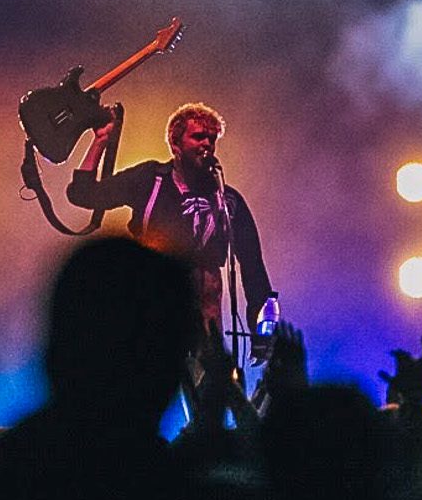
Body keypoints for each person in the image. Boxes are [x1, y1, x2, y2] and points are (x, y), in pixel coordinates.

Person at [66, 101, 275, 336]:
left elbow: (252, 265)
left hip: (206, 332)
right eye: (198, 137)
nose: (207, 144)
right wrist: (101, 141)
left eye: (211, 139)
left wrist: (261, 332)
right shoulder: (149, 179)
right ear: (175, 143)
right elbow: (82, 194)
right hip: (148, 318)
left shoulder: (227, 199)